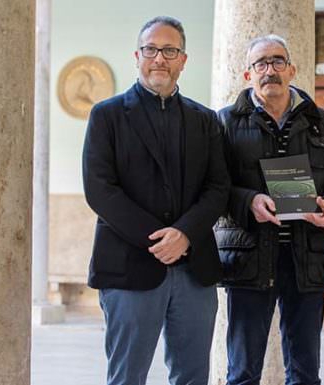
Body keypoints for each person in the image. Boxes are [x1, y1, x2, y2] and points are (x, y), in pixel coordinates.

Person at [82, 16, 230, 385]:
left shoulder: (206, 120)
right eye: (151, 49)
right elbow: (100, 190)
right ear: (137, 56)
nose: (159, 58)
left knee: (193, 376)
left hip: (194, 269)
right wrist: (160, 239)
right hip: (129, 268)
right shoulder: (107, 116)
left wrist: (183, 234)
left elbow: (218, 187)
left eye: (169, 50)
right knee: (127, 377)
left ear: (183, 59)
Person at [215, 35, 324, 385]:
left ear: (292, 69)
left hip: (305, 256)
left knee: (306, 372)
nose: (270, 71)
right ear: (248, 74)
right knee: (243, 371)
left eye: (278, 62)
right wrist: (249, 201)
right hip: (248, 257)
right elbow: (214, 187)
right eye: (260, 64)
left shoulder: (322, 123)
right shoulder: (225, 122)